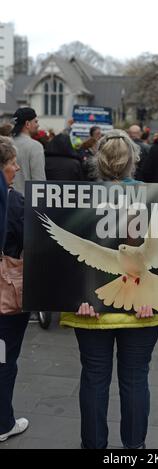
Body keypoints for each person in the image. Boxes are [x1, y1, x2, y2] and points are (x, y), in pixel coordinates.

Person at [60, 130, 158, 449]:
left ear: (98, 162)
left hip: (89, 309)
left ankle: (93, 445)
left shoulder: (73, 200)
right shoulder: (156, 198)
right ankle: (133, 449)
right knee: (136, 380)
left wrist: (77, 295)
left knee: (94, 378)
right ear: (133, 162)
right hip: (143, 308)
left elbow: (63, 258)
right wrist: (151, 295)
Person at [0, 136, 30, 442]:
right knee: (4, 356)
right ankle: (3, 421)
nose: (17, 168)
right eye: (11, 163)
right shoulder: (14, 202)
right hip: (5, 295)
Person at [12, 107, 46, 196]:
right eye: (35, 121)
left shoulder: (6, 144)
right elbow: (39, 180)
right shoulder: (35, 146)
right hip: (26, 202)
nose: (38, 125)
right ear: (27, 124)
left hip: (6, 200)